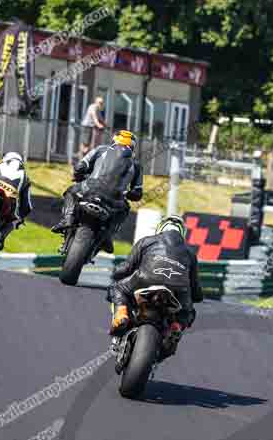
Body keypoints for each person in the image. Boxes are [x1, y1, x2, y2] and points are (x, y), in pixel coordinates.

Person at [107, 215, 202, 356]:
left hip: (145, 279)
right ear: (182, 233)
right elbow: (195, 288)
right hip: (178, 290)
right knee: (187, 312)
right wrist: (197, 297)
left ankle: (121, 313)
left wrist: (116, 273)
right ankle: (176, 327)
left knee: (117, 288)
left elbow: (126, 268)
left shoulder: (146, 241)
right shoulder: (190, 253)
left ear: (160, 228)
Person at [51, 130, 142, 254]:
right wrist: (129, 194)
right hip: (114, 199)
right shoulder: (136, 164)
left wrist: (78, 176)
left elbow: (80, 166)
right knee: (125, 209)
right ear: (132, 146)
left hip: (89, 189)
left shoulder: (101, 149)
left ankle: (68, 218)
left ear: (114, 140)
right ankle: (108, 236)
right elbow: (138, 192)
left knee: (71, 191)